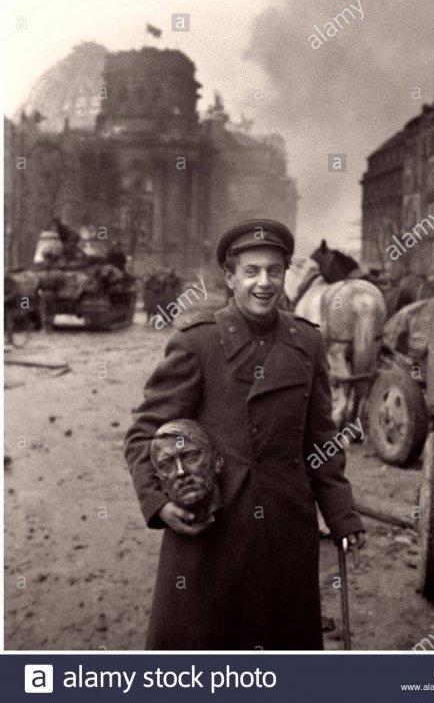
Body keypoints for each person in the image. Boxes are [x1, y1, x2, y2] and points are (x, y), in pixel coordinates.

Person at [124, 218, 365, 650]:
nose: (263, 283)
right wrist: (159, 503)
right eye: (251, 271)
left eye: (274, 270)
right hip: (212, 525)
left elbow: (321, 441)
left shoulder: (307, 343)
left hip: (284, 529)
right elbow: (144, 432)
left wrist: (341, 515)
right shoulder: (198, 343)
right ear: (230, 276)